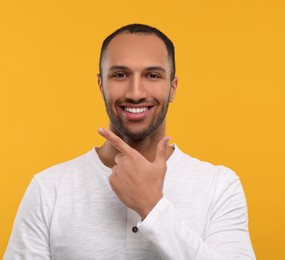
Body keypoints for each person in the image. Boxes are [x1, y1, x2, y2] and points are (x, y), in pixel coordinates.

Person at [4, 23, 255, 259]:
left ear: (173, 87)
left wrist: (152, 206)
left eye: (153, 76)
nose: (135, 93)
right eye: (121, 74)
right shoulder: (48, 189)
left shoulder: (219, 187)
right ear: (101, 85)